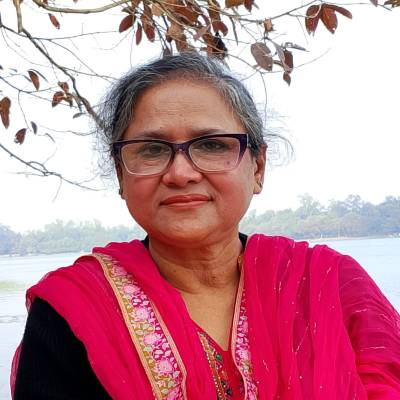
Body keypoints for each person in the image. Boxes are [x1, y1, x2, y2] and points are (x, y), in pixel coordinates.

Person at [11, 53, 400, 400]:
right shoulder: (74, 311)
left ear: (258, 167)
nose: (180, 173)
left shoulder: (333, 286)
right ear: (121, 174)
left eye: (212, 145)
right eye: (151, 150)